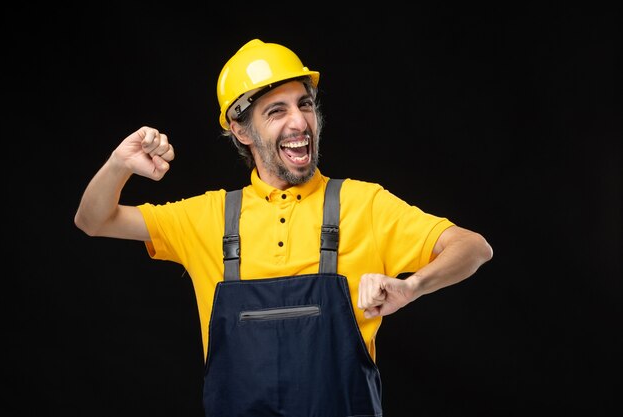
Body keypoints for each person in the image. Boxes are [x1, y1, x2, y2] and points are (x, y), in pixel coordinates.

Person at [74, 38, 493, 416]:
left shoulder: (363, 204)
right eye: (277, 110)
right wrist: (119, 164)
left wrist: (413, 286)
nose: (300, 123)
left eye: (305, 104)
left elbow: (472, 247)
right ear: (241, 130)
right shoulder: (209, 217)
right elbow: (94, 221)